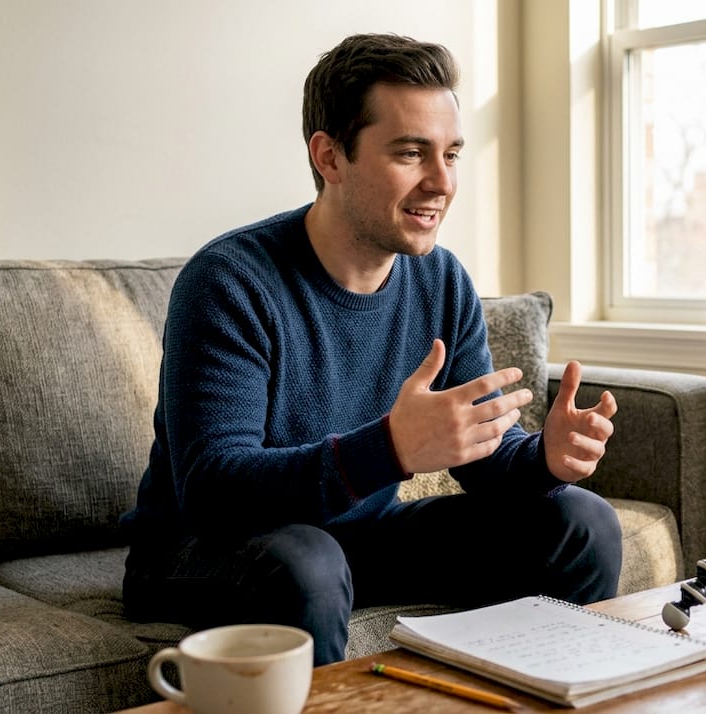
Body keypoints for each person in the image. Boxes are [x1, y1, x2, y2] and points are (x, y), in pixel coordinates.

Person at [120, 33, 623, 665]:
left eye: (452, 154)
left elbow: (481, 457)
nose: (441, 182)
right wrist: (389, 449)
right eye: (411, 153)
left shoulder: (441, 280)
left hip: (356, 539)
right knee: (305, 561)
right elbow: (215, 492)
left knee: (582, 525)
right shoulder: (230, 281)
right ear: (330, 157)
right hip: (207, 549)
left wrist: (545, 459)